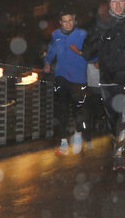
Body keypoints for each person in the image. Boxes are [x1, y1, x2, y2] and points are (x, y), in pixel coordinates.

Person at [82, 0, 125, 171]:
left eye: (121, 1)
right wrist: (102, 37)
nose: (117, 5)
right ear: (109, 4)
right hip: (107, 78)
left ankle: (118, 154)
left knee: (123, 116)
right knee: (111, 118)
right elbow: (87, 52)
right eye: (114, 2)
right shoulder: (100, 24)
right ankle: (114, 143)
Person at [43, 9, 89, 156]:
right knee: (61, 110)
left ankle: (77, 134)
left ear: (74, 20)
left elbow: (91, 52)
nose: (68, 24)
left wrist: (80, 52)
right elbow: (51, 51)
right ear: (60, 22)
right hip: (61, 76)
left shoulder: (82, 34)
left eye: (70, 20)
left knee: (78, 110)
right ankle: (63, 143)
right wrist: (47, 62)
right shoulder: (56, 35)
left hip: (79, 77)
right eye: (65, 21)